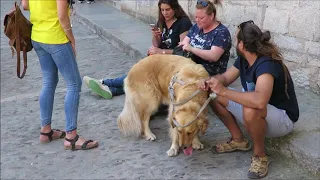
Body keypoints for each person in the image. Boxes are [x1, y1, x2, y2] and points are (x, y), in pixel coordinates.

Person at [199, 20, 299, 179]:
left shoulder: (266, 65)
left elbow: (259, 101)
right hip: (262, 113)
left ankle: (260, 156)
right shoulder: (244, 59)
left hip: (282, 119)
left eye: (237, 39)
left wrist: (224, 91)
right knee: (214, 95)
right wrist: (212, 82)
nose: (235, 42)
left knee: (251, 107)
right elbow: (225, 77)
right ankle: (238, 140)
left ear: (242, 45)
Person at [22, 0, 98, 150]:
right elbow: (62, 15)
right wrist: (72, 38)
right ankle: (71, 137)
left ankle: (46, 131)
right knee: (74, 84)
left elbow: (25, 5)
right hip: (55, 36)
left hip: (37, 36)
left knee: (48, 81)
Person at [83, 0, 192, 99]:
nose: (165, 13)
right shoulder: (162, 21)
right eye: (162, 10)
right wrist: (156, 36)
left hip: (173, 62)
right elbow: (156, 44)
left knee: (139, 74)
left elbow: (182, 52)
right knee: (140, 78)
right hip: (158, 58)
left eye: (168, 10)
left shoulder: (183, 23)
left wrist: (161, 52)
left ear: (175, 8)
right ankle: (112, 90)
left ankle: (105, 83)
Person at [179, 0, 232, 76]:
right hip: (192, 67)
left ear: (211, 16)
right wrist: (183, 44)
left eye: (201, 18)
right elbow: (185, 41)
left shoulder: (221, 32)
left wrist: (191, 49)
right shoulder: (196, 27)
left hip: (211, 73)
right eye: (196, 17)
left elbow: (213, 56)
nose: (197, 20)